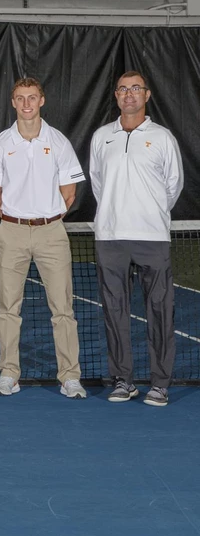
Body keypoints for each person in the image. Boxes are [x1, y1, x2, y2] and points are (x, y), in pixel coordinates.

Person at [0, 77, 87, 399]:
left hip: (52, 233)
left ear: (41, 100)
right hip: (11, 232)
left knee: (63, 309)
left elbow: (69, 193)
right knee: (7, 308)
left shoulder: (59, 142)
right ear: (13, 102)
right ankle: (8, 373)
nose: (26, 103)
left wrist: (46, 218)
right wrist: (17, 218)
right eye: (20, 98)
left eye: (32, 97)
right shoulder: (1, 143)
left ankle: (70, 376)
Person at [90, 71, 183, 407]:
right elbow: (98, 183)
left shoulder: (163, 138)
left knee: (160, 311)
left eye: (135, 89)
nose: (129, 94)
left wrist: (150, 213)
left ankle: (160, 384)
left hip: (152, 238)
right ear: (116, 95)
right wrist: (115, 214)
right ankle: (123, 380)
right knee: (115, 311)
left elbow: (173, 185)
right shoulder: (102, 137)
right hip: (110, 237)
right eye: (123, 89)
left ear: (147, 95)